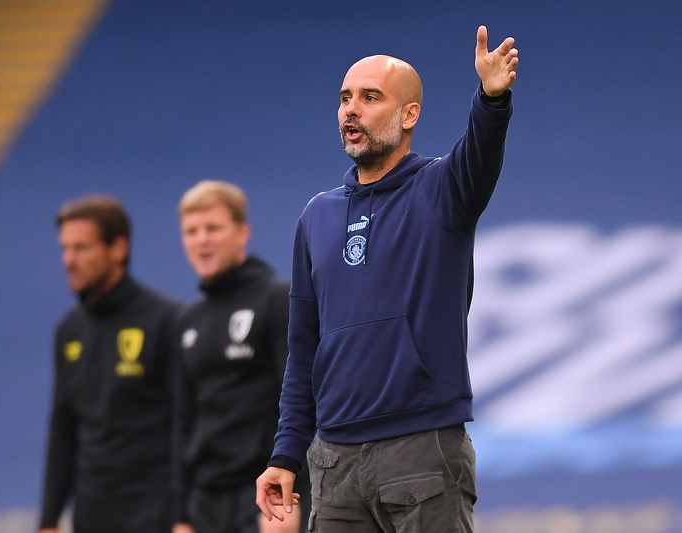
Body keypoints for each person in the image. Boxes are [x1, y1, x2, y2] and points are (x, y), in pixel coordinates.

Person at [256, 26, 518, 532]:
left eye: (370, 97)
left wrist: (491, 100)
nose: (351, 109)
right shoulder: (317, 216)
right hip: (333, 462)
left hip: (421, 448)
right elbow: (303, 348)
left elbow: (479, 159)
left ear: (409, 114)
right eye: (345, 98)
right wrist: (286, 454)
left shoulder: (441, 189)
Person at [172, 180, 310, 533]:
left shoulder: (277, 301)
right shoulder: (188, 321)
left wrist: (293, 498)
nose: (201, 239)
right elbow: (184, 420)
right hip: (204, 503)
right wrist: (180, 515)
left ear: (242, 233)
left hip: (264, 498)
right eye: (191, 231)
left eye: (213, 228)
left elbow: (301, 401)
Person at [38, 194, 181, 533]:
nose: (68, 260)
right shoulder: (69, 329)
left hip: (154, 514)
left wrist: (182, 516)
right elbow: (63, 430)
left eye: (82, 248)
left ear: (118, 248)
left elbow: (184, 425)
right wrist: (48, 520)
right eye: (65, 248)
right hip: (91, 515)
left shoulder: (165, 320)